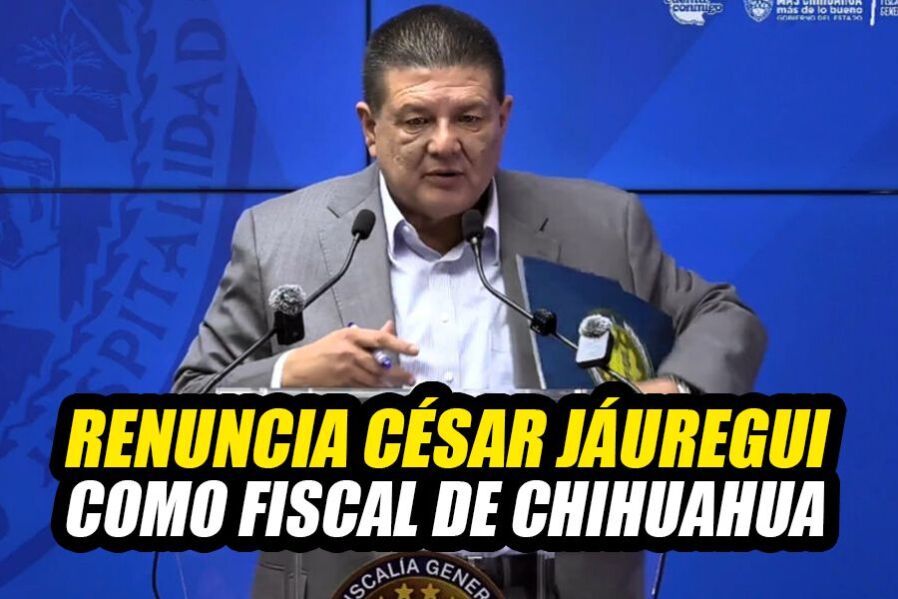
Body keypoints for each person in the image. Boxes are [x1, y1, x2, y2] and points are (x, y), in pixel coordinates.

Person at [173, 5, 767, 598]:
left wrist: (677, 394)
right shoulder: (281, 236)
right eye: (416, 120)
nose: (445, 143)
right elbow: (189, 408)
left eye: (470, 118)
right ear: (370, 128)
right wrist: (288, 374)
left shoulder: (601, 224)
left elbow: (723, 315)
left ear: (502, 120)